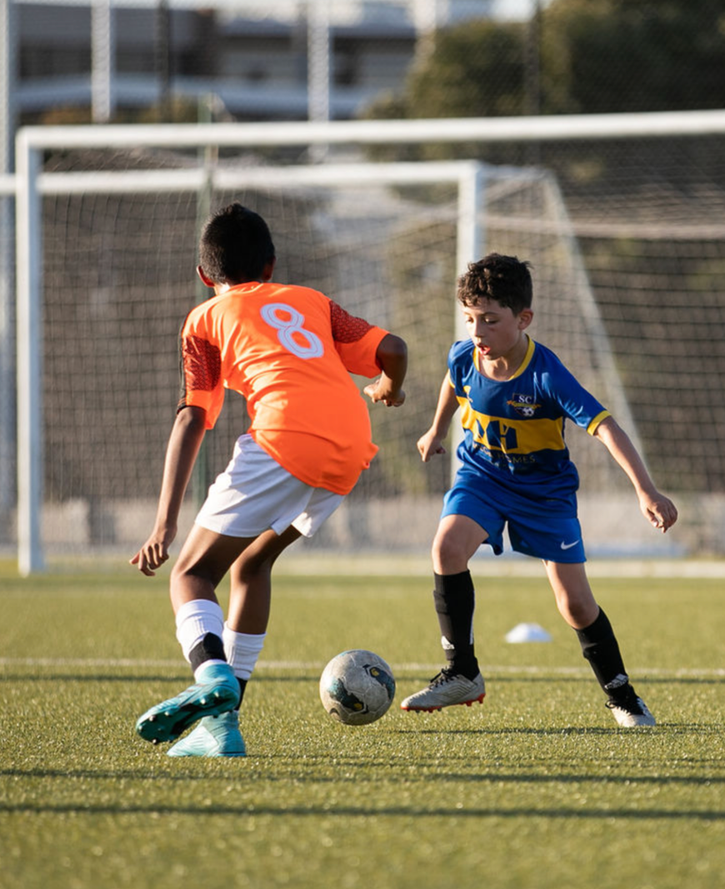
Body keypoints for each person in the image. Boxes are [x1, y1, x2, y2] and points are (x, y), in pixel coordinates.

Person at [129, 203, 408, 756]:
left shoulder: (204, 320)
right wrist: (389, 388)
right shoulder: (311, 301)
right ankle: (221, 731)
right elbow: (393, 349)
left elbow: (192, 417)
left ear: (205, 275)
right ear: (272, 265)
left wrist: (164, 523)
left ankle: (213, 681)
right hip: (350, 447)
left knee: (190, 574)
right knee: (253, 563)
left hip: (285, 438)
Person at [402, 253, 678, 727]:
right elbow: (453, 382)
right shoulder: (465, 354)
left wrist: (646, 490)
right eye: (470, 319)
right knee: (446, 548)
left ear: (523, 318)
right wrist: (436, 430)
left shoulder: (547, 374)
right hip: (482, 475)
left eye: (490, 320)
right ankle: (462, 672)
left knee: (574, 603)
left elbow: (606, 426)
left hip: (543, 493)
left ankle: (622, 694)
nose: (478, 332)